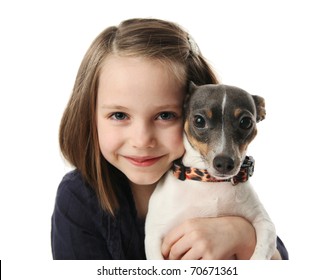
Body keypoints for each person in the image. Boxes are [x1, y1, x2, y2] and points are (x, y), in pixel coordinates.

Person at [51, 18, 288, 260]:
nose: (142, 140)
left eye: (165, 115)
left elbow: (279, 259)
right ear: (89, 116)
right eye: (119, 115)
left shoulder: (226, 184)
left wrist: (244, 238)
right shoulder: (78, 199)